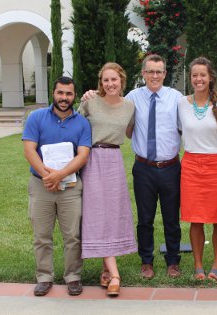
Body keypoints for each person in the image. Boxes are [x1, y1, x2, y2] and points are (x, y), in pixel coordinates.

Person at [83, 54, 182, 279]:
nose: (154, 75)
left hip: (170, 166)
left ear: (165, 74)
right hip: (144, 167)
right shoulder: (132, 98)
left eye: (159, 71)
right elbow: (112, 108)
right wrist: (90, 94)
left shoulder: (176, 98)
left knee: (171, 218)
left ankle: (173, 261)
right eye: (150, 71)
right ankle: (146, 260)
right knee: (145, 218)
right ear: (143, 74)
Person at [22, 76, 91, 297]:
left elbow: (83, 155)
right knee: (41, 235)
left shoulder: (82, 122)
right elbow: (30, 150)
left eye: (69, 94)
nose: (64, 98)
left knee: (73, 235)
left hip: (70, 186)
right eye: (60, 93)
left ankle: (73, 277)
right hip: (41, 185)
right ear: (53, 93)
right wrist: (47, 176)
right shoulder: (36, 117)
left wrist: (59, 175)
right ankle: (44, 276)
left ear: (74, 95)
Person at [78, 62, 137, 296]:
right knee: (97, 214)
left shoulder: (130, 107)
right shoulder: (90, 102)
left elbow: (132, 132)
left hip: (114, 160)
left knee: (112, 214)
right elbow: (73, 125)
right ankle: (115, 274)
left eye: (114, 79)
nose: (110, 84)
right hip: (92, 159)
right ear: (100, 83)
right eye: (105, 80)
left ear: (122, 80)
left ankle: (105, 269)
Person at [178, 57, 217, 281]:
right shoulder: (181, 103)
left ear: (210, 78)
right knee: (195, 218)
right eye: (194, 75)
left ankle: (216, 265)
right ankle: (198, 265)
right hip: (190, 165)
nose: (198, 79)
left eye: (202, 75)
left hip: (216, 165)